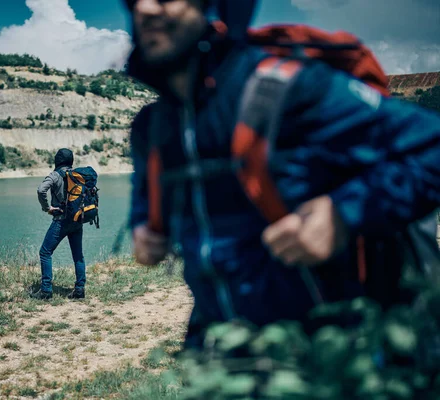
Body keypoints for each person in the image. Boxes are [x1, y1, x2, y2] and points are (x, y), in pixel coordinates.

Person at [124, 0, 440, 349]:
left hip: (324, 352)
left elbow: (431, 145)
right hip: (218, 346)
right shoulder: (151, 128)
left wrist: (343, 213)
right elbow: (144, 199)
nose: (146, 8)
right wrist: (143, 226)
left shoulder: (291, 89)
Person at [31, 148, 86, 300]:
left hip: (61, 221)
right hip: (77, 220)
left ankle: (46, 291)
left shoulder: (55, 175)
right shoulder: (78, 175)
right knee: (78, 256)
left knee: (45, 252)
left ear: (57, 161)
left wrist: (47, 208)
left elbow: (41, 190)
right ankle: (80, 290)